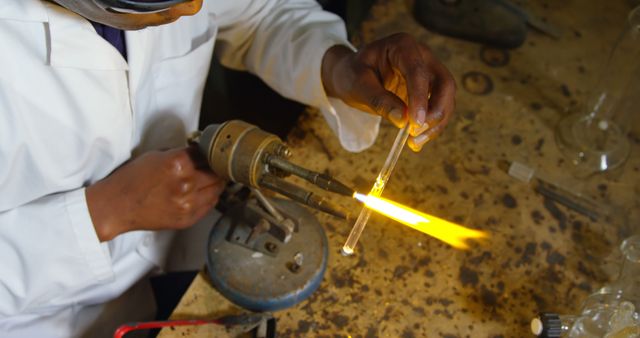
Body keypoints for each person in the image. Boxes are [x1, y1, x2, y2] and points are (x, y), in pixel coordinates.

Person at [0, 0, 456, 336]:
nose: (197, 6)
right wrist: (102, 214)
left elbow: (260, 14)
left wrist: (337, 66)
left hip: (183, 251)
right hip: (53, 316)